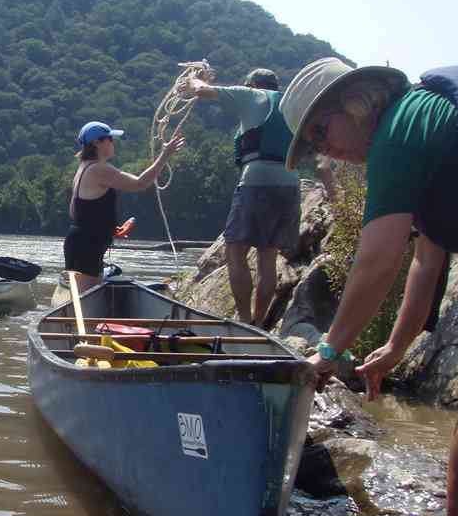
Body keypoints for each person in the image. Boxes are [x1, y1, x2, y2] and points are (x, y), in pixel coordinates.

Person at [279, 57, 458, 516]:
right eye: (315, 147)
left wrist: (328, 349)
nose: (327, 149)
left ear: (356, 101)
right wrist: (394, 348)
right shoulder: (430, 127)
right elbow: (423, 263)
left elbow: (378, 258)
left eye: (322, 131)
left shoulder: (398, 131)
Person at [185, 68, 301, 327]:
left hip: (256, 182)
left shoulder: (249, 94)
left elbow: (200, 91)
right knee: (267, 256)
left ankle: (245, 321)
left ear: (252, 84)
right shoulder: (293, 104)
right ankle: (259, 324)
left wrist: (195, 76)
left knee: (235, 252)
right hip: (290, 184)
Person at [64, 121, 185, 295]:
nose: (113, 142)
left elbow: (75, 212)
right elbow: (140, 183)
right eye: (110, 139)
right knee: (86, 307)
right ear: (97, 143)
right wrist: (165, 155)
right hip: (85, 247)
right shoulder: (98, 169)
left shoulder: (85, 168)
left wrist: (107, 228)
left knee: (89, 302)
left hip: (85, 244)